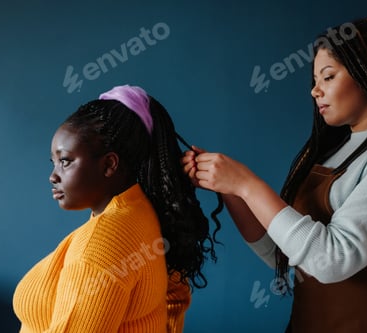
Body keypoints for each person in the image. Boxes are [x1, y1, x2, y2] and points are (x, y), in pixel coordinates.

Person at [183, 18, 367, 333]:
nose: (315, 90)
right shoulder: (332, 152)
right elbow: (286, 255)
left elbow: (332, 259)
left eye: (328, 76)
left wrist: (247, 184)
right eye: (314, 79)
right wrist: (231, 189)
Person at [13, 84, 219, 332]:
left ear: (110, 164)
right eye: (54, 163)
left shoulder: (101, 245)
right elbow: (174, 300)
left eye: (65, 161)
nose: (52, 177)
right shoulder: (143, 212)